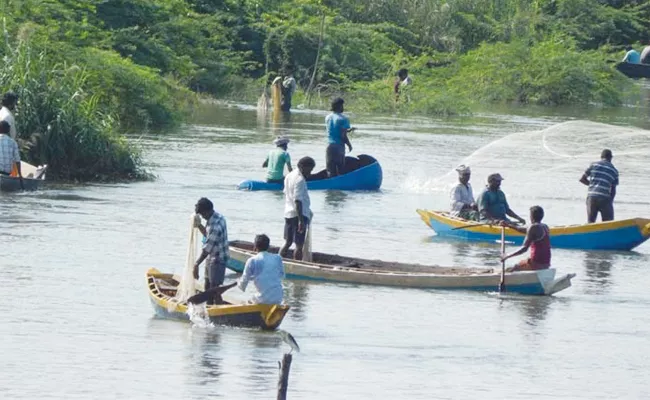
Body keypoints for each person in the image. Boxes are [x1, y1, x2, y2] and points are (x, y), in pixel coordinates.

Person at [280, 156, 314, 260]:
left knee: (288, 242)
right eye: (310, 169)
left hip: (289, 213)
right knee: (299, 245)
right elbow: (298, 201)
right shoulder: (300, 179)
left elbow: (286, 194)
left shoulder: (289, 176)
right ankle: (297, 265)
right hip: (299, 215)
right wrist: (301, 221)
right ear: (302, 166)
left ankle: (279, 261)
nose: (310, 172)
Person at [193, 198, 230, 292]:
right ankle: (208, 304)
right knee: (207, 286)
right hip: (211, 257)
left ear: (208, 211)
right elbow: (207, 234)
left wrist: (196, 264)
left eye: (203, 214)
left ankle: (215, 304)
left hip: (218, 259)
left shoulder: (215, 225)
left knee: (214, 290)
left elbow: (207, 249)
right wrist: (199, 225)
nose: (203, 217)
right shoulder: (217, 216)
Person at [237, 234, 285, 304]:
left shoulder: (252, 260)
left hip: (263, 299)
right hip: (278, 298)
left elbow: (242, 285)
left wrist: (238, 282)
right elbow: (281, 276)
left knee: (247, 301)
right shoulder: (278, 258)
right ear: (268, 247)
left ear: (255, 247)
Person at [500, 206, 551, 272]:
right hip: (546, 264)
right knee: (520, 263)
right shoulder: (545, 226)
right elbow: (523, 230)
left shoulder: (533, 227)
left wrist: (507, 255)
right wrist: (509, 225)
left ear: (531, 216)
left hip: (536, 264)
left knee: (510, 269)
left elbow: (524, 248)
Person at [580, 149, 619, 223]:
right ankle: (607, 234)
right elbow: (613, 190)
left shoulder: (594, 165)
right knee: (608, 223)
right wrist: (610, 202)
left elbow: (582, 179)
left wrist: (593, 186)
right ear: (610, 158)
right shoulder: (614, 171)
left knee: (590, 223)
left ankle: (590, 234)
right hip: (604, 199)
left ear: (601, 157)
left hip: (592, 198)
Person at [325, 97, 354, 177]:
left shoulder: (328, 117)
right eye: (342, 105)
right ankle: (340, 189)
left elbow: (334, 131)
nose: (343, 107)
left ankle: (330, 188)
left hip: (329, 146)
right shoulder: (344, 119)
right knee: (341, 170)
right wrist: (349, 145)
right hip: (338, 147)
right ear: (339, 106)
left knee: (330, 171)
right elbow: (343, 136)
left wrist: (348, 130)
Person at [0, 121, 23, 189]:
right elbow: (17, 160)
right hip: (6, 174)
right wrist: (20, 174)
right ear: (8, 130)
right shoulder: (13, 142)